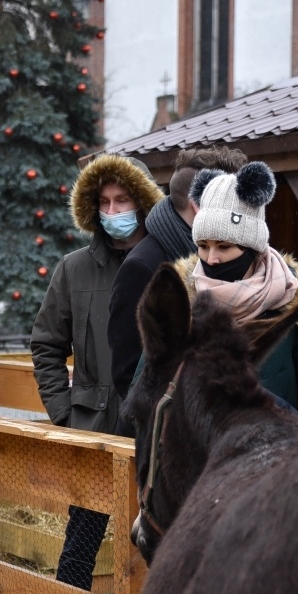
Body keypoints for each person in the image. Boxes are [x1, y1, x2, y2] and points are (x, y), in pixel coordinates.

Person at [29, 153, 161, 594]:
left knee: (155, 542)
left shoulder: (164, 263)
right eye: (104, 204)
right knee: (80, 544)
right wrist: (65, 410)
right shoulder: (73, 270)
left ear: (140, 203)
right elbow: (46, 345)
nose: (114, 212)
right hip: (91, 430)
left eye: (122, 202)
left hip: (152, 431)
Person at [172, 162, 298, 407]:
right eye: (203, 246)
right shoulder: (180, 300)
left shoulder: (294, 302)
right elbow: (149, 383)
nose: (211, 258)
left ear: (252, 248)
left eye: (224, 246)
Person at [107, 145, 248, 403]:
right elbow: (128, 376)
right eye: (232, 200)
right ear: (198, 205)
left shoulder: (229, 257)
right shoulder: (144, 268)